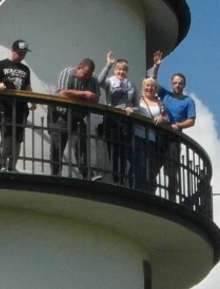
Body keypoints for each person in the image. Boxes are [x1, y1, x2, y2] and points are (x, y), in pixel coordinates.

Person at [50, 58, 100, 177]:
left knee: (81, 146)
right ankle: (56, 175)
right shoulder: (67, 73)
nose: (86, 77)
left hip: (78, 118)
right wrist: (84, 94)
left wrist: (74, 96)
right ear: (79, 68)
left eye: (89, 75)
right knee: (57, 147)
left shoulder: (93, 80)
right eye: (84, 74)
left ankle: (87, 176)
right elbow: (62, 93)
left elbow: (96, 99)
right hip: (61, 116)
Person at [0, 40, 33, 170]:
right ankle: (2, 165)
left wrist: (33, 100)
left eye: (24, 53)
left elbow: (27, 86)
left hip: (21, 107)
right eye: (20, 53)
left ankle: (11, 166)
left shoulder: (25, 69)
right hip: (5, 106)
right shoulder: (1, 65)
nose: (22, 55)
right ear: (13, 50)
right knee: (7, 136)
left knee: (18, 138)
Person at [97, 53, 137, 185]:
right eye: (119, 69)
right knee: (113, 149)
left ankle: (122, 177)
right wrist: (108, 64)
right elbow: (99, 82)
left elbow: (137, 105)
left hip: (125, 121)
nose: (121, 72)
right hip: (111, 119)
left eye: (124, 69)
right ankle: (115, 176)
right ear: (116, 70)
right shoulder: (111, 81)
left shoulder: (131, 86)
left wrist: (132, 109)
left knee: (123, 150)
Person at [133, 76, 175, 194]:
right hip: (137, 134)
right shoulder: (137, 100)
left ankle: (147, 190)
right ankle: (137, 189)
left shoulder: (160, 103)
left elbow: (167, 118)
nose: (149, 88)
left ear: (155, 88)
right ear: (143, 87)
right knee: (138, 163)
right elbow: (131, 108)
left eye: (152, 86)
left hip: (151, 138)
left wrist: (161, 118)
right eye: (147, 85)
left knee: (149, 165)